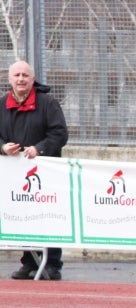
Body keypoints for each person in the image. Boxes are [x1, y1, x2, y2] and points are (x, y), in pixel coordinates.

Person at [0, 60, 68, 280]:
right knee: (22, 215)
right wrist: (2, 148)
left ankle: (51, 262)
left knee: (48, 215)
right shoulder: (2, 104)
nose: (21, 79)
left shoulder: (48, 103)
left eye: (25, 75)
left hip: (46, 174)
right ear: (9, 79)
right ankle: (29, 261)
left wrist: (39, 148)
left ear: (32, 79)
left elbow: (60, 134)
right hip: (14, 175)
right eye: (17, 75)